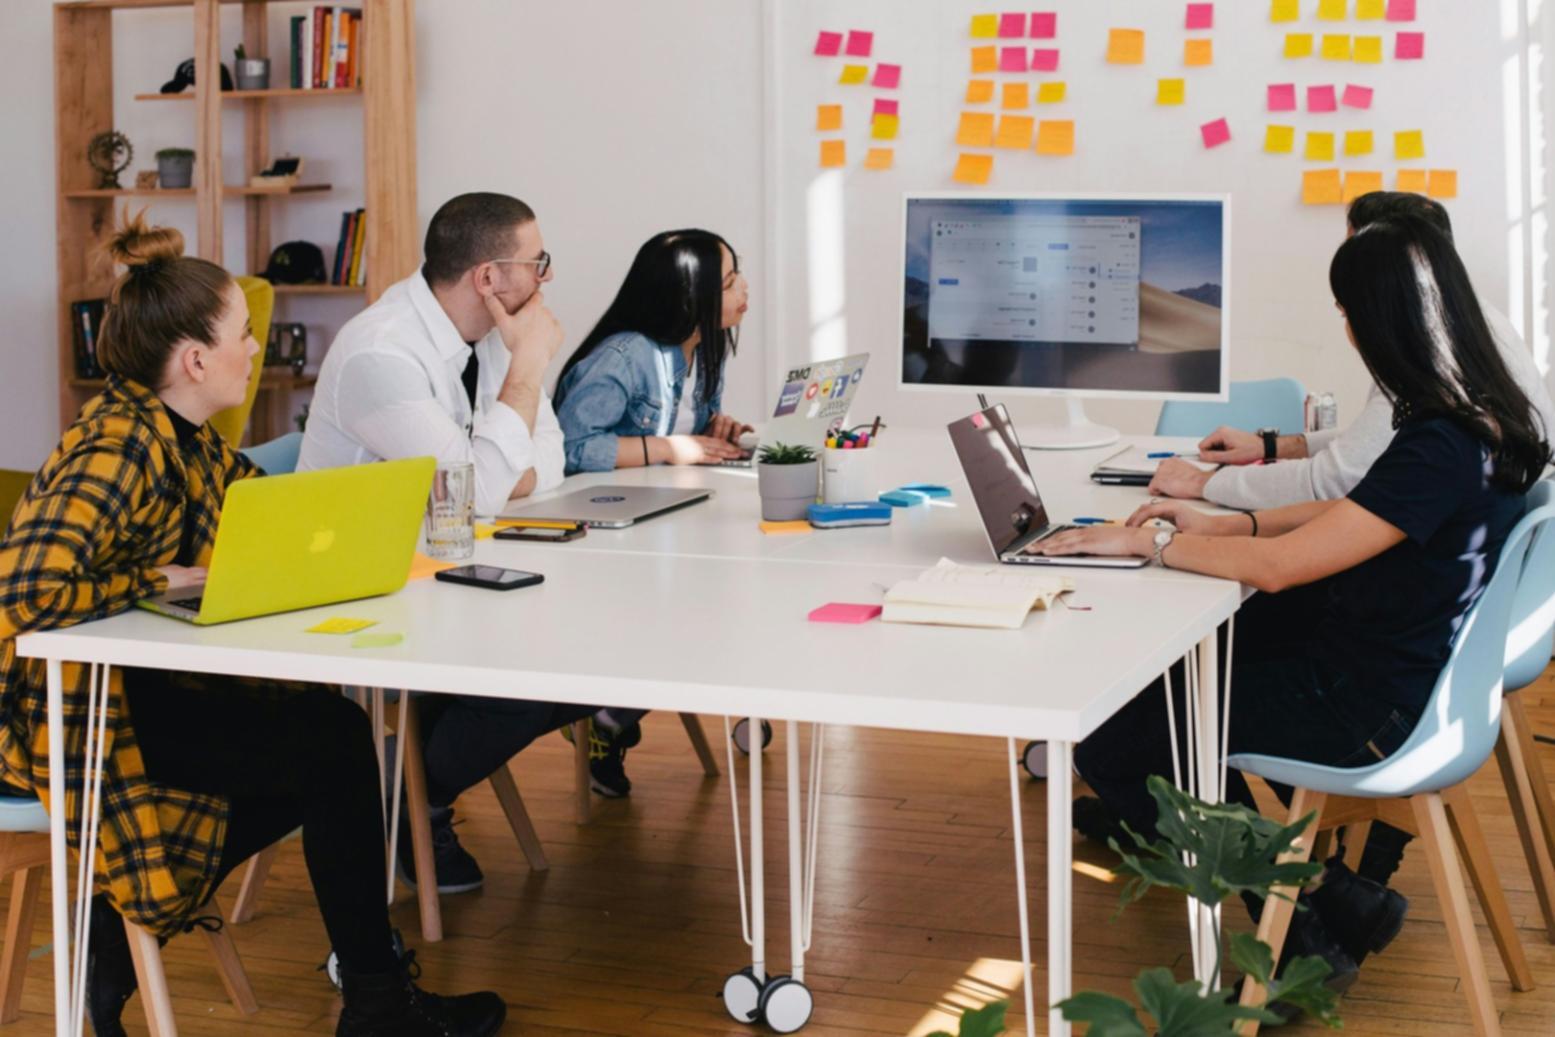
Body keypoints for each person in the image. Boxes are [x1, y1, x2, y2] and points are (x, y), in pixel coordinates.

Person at [0, 213, 504, 1037]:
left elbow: (265, 517)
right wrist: (154, 578)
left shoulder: (186, 438)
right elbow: (22, 588)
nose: (256, 349)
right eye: (244, 336)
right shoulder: (118, 443)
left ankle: (114, 943)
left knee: (322, 752)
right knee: (332, 746)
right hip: (71, 712)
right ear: (195, 359)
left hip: (137, 685)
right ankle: (374, 1004)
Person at [1036, 217, 1551, 1011]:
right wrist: (1226, 524)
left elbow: (1280, 570)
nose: (1342, 328)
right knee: (1187, 673)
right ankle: (1339, 900)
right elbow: (1354, 513)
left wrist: (1153, 542)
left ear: (1373, 320)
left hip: (1369, 707)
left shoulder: (1435, 441)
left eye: (1345, 311)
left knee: (1119, 732)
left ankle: (1298, 942)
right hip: (1397, 665)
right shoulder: (1481, 417)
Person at [301, 192, 595, 895]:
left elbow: (548, 458)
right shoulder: (382, 354)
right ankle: (407, 799)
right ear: (489, 277)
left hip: (445, 566)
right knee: (528, 682)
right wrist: (525, 375)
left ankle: (414, 780)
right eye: (537, 262)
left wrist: (492, 466)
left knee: (583, 663)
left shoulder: (488, 337)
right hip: (367, 587)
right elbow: (476, 491)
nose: (545, 279)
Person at [1149, 192, 1554, 510]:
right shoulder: (1473, 326)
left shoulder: (1431, 354)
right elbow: (1383, 441)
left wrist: (1204, 484)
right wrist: (1272, 447)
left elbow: (1332, 483)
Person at [552, 230, 752, 797]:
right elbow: (568, 449)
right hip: (605, 537)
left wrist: (714, 431)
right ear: (689, 296)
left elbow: (684, 428)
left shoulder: (702, 349)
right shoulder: (624, 357)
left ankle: (613, 715)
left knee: (718, 595)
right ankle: (607, 716)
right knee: (700, 610)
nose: (743, 290)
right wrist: (670, 449)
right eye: (730, 281)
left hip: (662, 518)